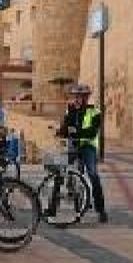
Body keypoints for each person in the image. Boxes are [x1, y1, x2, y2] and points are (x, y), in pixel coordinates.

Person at [57, 83, 106, 222]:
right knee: (60, 172)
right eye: (75, 96)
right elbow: (65, 128)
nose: (77, 99)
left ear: (86, 98)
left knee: (93, 174)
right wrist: (61, 131)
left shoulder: (94, 112)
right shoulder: (70, 110)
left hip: (88, 146)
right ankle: (54, 205)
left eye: (80, 96)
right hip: (73, 145)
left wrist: (76, 132)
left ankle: (100, 209)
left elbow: (91, 132)